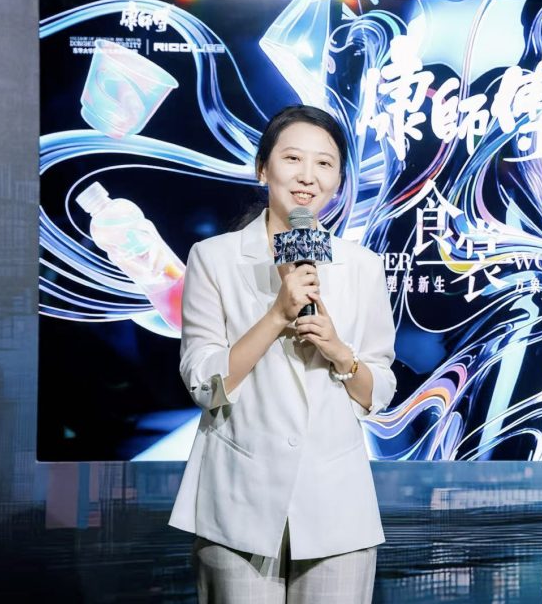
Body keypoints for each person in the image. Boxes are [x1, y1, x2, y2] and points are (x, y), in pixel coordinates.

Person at [169, 105, 397, 603]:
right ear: (262, 169)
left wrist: (340, 352)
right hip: (237, 501)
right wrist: (276, 316)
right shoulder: (214, 258)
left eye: (324, 163)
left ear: (339, 181)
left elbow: (378, 390)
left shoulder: (362, 266)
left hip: (336, 508)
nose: (308, 176)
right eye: (293, 158)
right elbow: (204, 384)